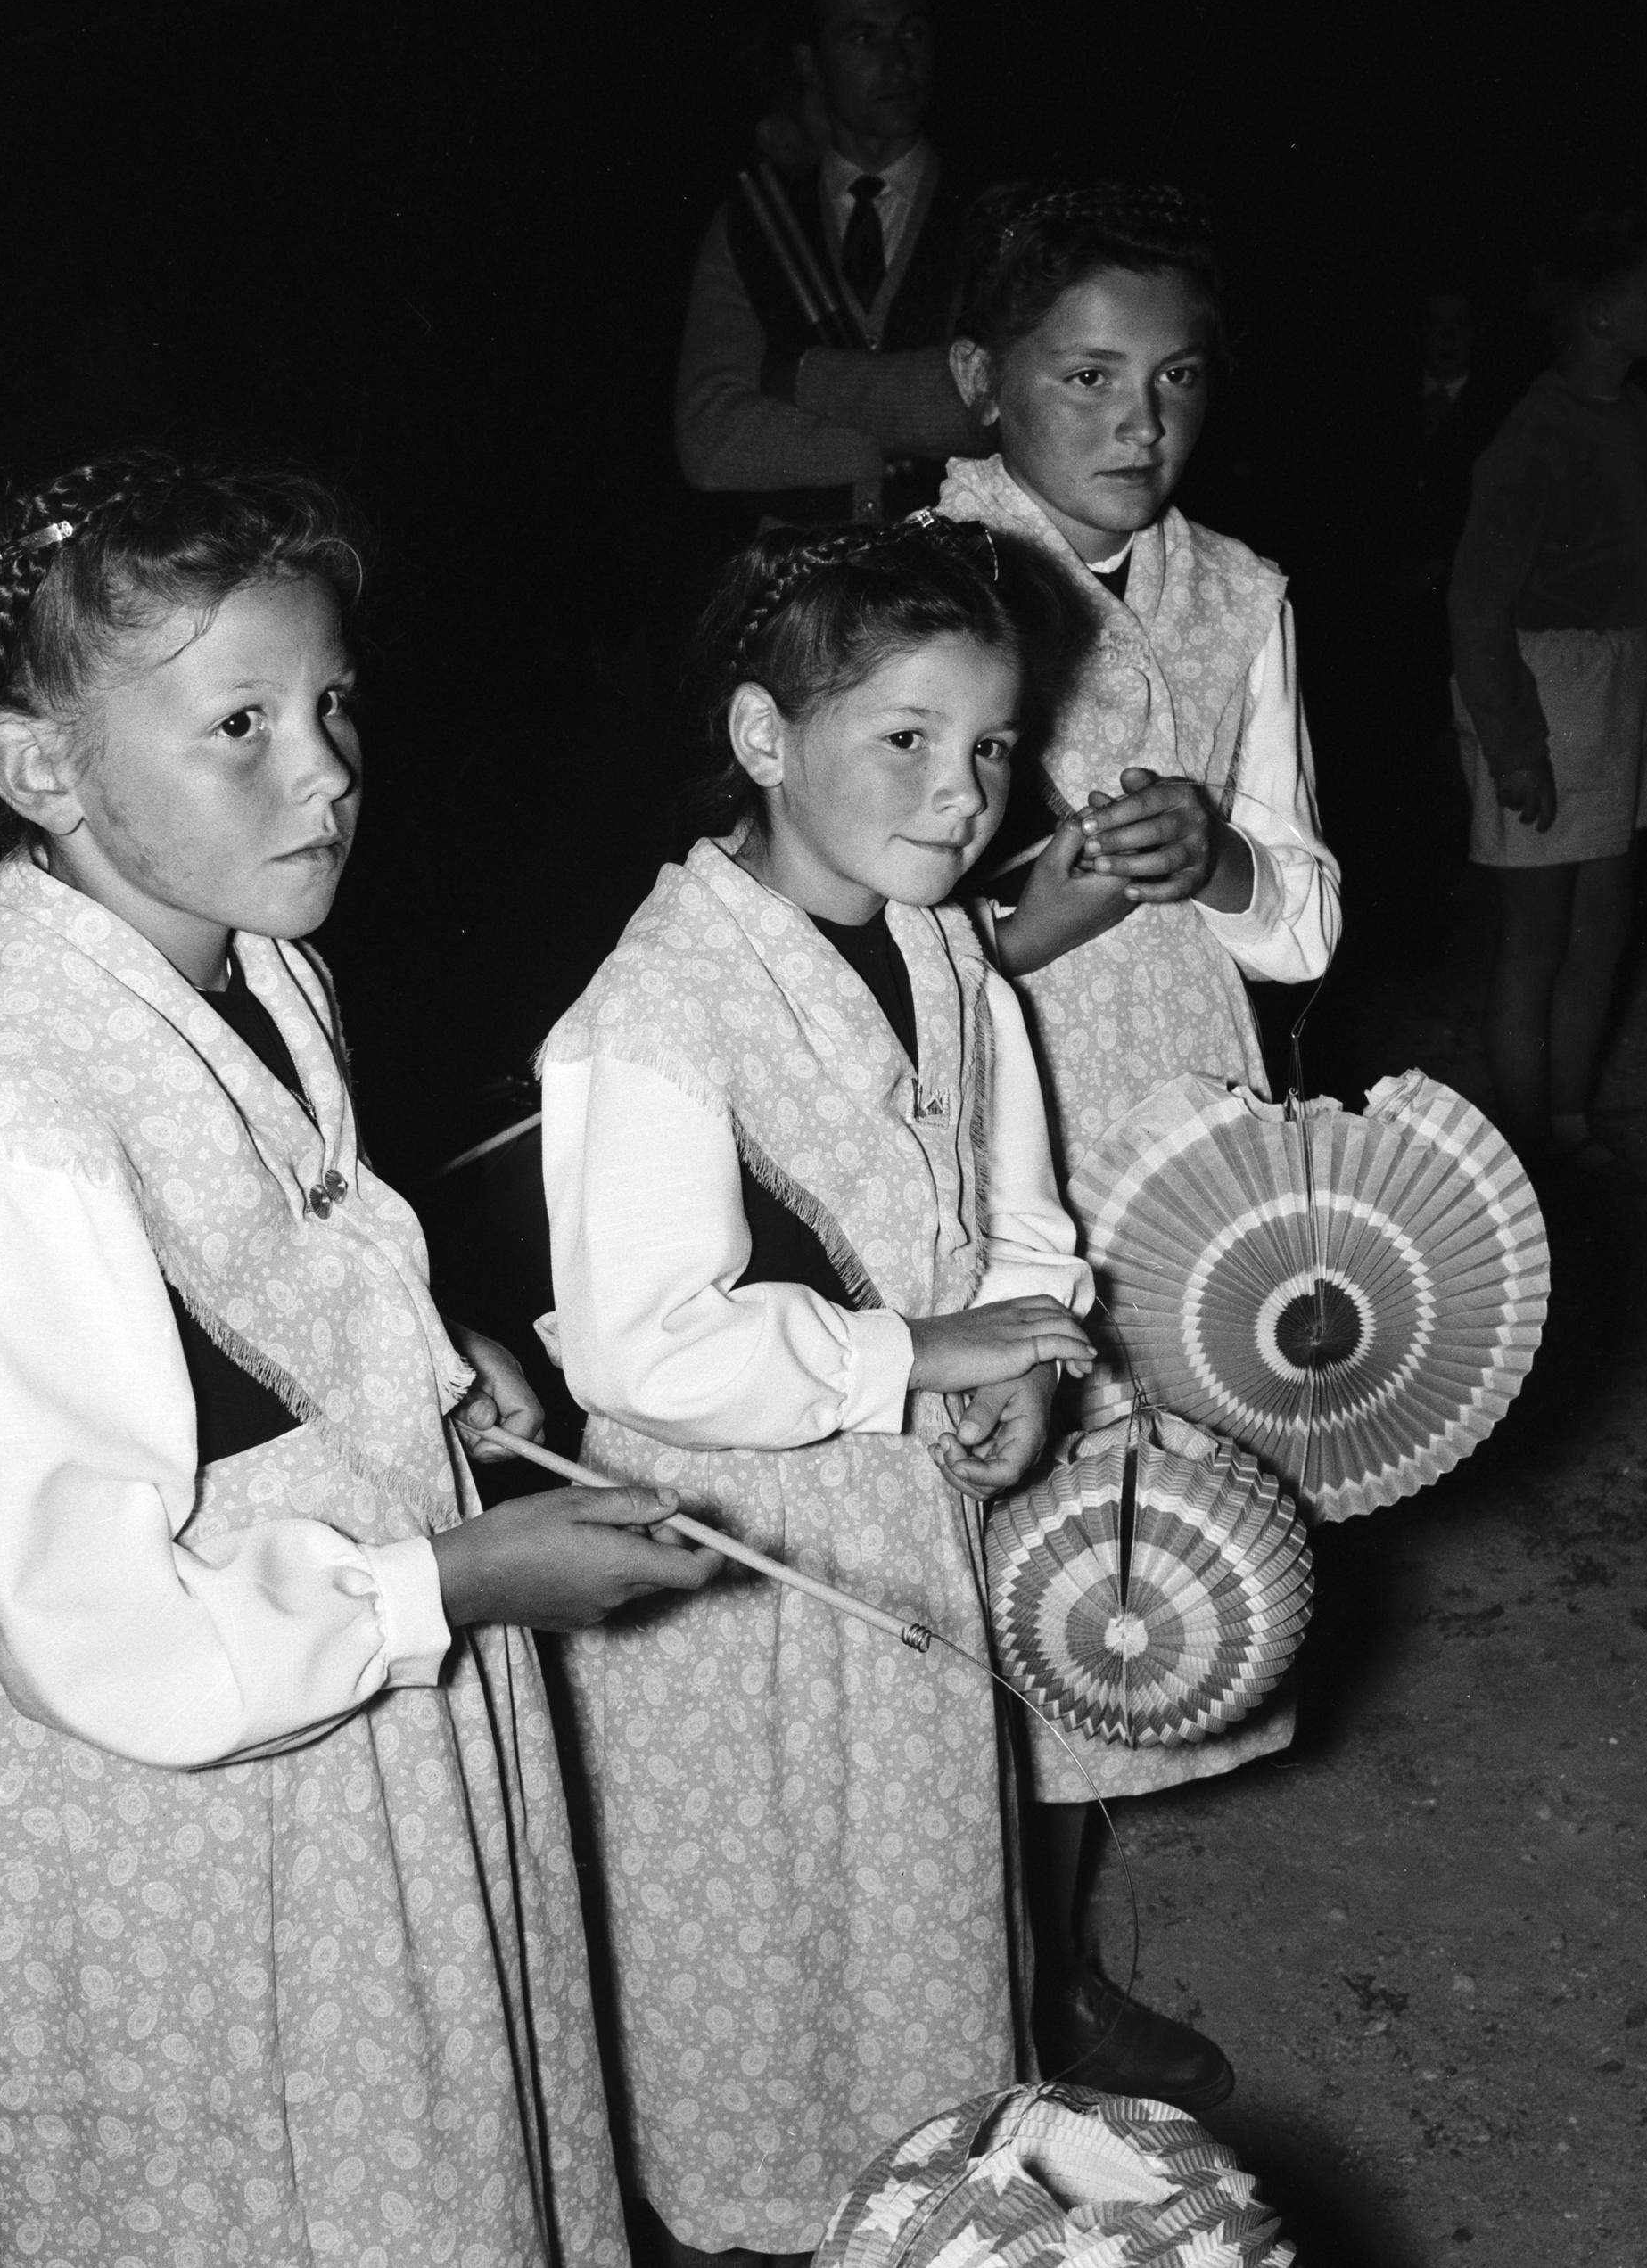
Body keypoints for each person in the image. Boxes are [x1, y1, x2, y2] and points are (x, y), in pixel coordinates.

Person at [0, 449, 721, 2268]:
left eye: (331, 701)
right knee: (298, 2181)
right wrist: (458, 1576)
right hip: (225, 1796)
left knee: (434, 2140)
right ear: (42, 767)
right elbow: (90, 1628)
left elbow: (263, 1274)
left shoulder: (255, 967)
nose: (326, 765)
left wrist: (424, 1353)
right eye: (240, 722)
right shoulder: (11, 1137)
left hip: (374, 1690)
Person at [538, 515, 1098, 2267]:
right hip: (737, 1557)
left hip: (899, 1535)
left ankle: (915, 2210)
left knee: (911, 1912)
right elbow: (644, 1341)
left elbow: (1015, 1208)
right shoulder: (658, 1006)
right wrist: (911, 1355)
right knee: (754, 1935)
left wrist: (1022, 1334)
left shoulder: (942, 948)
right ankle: (741, 2230)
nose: (962, 793)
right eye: (907, 742)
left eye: (991, 747)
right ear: (765, 738)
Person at [937, 178, 1341, 2113]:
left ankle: (1048, 1974)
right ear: (979, 382)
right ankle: (946, 1973)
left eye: (1172, 379)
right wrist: (1054, 907)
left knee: (1105, 1558)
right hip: (965, 1129)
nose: (1133, 421)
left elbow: (1308, 920)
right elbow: (866, 934)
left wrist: (1233, 860)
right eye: (1083, 374)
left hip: (1165, 1134)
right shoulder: (920, 582)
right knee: (958, 1548)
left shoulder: (1240, 597)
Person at [1447, 208, 1647, 1164]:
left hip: (1623, 674)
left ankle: (1571, 1123)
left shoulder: (1629, 414)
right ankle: (1525, 1145)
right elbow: (1474, 603)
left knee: (1602, 924)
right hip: (1546, 688)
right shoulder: (1534, 434)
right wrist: (1515, 744)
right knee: (1536, 936)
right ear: (1598, 314)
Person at [673, 0, 985, 534]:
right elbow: (711, 441)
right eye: (863, 37)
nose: (896, 62)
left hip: (957, 580)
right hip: (800, 593)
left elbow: (997, 407)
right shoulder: (754, 221)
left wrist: (796, 379)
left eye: (911, 33)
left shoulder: (993, 210)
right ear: (810, 64)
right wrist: (896, 445)